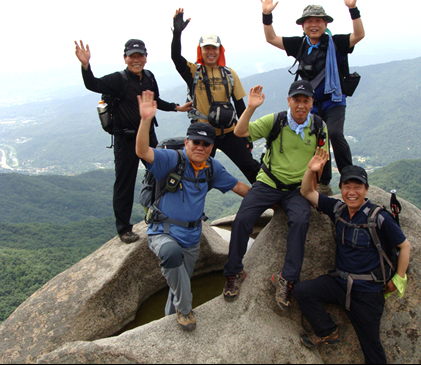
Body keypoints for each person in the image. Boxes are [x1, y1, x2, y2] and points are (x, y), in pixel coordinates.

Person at [135, 90, 250, 331]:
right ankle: (186, 311)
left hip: (192, 238)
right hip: (162, 232)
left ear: (211, 147)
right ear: (186, 142)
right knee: (171, 254)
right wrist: (146, 120)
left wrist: (275, 201)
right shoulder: (171, 159)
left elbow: (239, 187)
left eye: (205, 143)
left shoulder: (212, 168)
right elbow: (143, 151)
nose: (200, 147)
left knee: (179, 284)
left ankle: (168, 325)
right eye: (195, 142)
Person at [295, 147, 411, 364]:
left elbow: (404, 246)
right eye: (347, 186)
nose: (351, 192)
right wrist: (311, 170)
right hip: (340, 283)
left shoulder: (379, 217)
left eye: (357, 187)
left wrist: (399, 278)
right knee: (303, 291)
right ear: (341, 189)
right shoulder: (338, 208)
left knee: (372, 349)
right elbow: (307, 192)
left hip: (367, 293)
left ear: (366, 190)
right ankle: (327, 330)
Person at [222, 81, 329, 311]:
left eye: (306, 100)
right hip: (268, 182)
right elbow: (240, 132)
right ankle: (234, 272)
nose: (301, 105)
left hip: (298, 189)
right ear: (289, 100)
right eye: (297, 100)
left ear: (312, 103)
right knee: (242, 220)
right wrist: (250, 108)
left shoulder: (319, 126)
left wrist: (314, 194)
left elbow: (320, 164)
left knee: (300, 222)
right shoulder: (276, 121)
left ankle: (287, 279)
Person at [74, 39, 192, 244]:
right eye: (132, 56)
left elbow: (156, 101)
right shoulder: (118, 80)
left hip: (147, 137)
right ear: (125, 58)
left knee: (162, 175)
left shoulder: (149, 77)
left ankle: (164, 215)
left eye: (140, 56)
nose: (136, 60)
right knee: (124, 184)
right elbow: (93, 84)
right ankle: (124, 229)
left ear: (145, 58)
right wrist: (85, 65)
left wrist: (177, 107)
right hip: (125, 139)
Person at [260, 0, 365, 193]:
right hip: (309, 105)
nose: (314, 25)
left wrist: (353, 9)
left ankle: (348, 177)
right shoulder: (300, 45)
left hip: (333, 100)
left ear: (325, 23)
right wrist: (266, 14)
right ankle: (323, 182)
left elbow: (359, 34)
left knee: (334, 134)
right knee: (318, 141)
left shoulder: (337, 43)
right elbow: (271, 38)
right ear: (303, 26)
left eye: (318, 21)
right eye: (309, 21)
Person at [171, 8, 261, 184]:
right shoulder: (193, 72)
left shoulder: (229, 74)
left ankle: (273, 201)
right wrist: (177, 33)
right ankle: (192, 209)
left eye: (214, 48)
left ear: (220, 50)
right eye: (207, 48)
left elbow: (240, 106)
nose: (211, 52)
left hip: (229, 131)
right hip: (203, 132)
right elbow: (176, 57)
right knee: (195, 173)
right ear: (201, 51)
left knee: (250, 167)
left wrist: (245, 136)